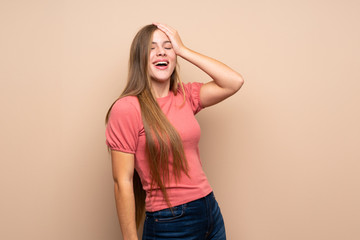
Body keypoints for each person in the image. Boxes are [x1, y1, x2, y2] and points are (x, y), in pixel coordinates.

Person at [105, 23, 244, 240]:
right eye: (152, 48)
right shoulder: (127, 108)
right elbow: (122, 182)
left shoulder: (185, 96)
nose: (161, 51)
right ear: (139, 58)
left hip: (210, 211)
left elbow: (234, 82)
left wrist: (184, 50)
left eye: (167, 46)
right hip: (171, 222)